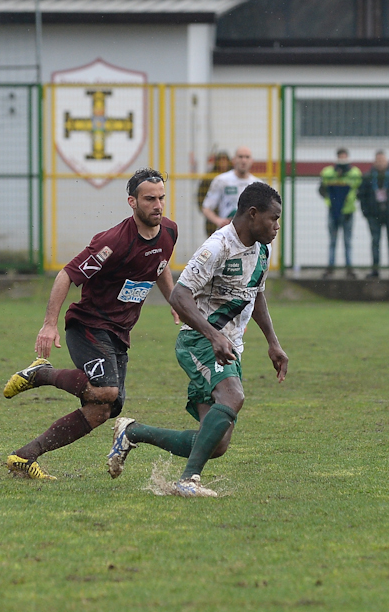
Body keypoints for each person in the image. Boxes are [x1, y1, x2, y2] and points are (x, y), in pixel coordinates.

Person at [106, 181, 288, 498]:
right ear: (253, 214)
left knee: (215, 444)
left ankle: (132, 432)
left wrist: (273, 342)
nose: (276, 227)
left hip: (227, 346)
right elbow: (179, 295)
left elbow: (255, 293)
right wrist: (213, 335)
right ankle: (188, 481)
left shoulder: (262, 249)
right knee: (234, 397)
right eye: (273, 219)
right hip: (199, 341)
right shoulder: (217, 248)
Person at [0, 169, 179, 481]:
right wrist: (49, 324)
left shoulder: (169, 232)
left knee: (103, 409)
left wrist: (175, 302)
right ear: (132, 202)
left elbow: (160, 265)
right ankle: (41, 373)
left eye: (162, 198)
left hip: (119, 334)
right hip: (88, 327)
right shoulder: (113, 243)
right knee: (106, 390)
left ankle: (25, 456)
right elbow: (66, 274)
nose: (158, 205)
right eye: (150, 199)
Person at [358, 150, 389, 279]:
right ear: (374, 162)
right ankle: (375, 270)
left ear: (387, 161)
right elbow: (362, 196)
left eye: (382, 160)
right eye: (378, 160)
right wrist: (365, 212)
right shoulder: (368, 176)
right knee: (375, 242)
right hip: (374, 215)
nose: (380, 163)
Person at [319, 148, 363, 278]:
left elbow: (358, 191)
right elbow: (322, 189)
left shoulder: (355, 173)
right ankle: (330, 267)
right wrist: (331, 202)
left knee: (347, 241)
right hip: (333, 211)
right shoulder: (328, 173)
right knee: (333, 241)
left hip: (348, 212)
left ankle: (349, 268)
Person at [201, 146, 260, 231]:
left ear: (252, 161)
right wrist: (219, 221)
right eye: (240, 157)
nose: (243, 160)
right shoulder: (221, 180)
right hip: (227, 232)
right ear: (234, 160)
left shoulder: (257, 184)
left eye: (247, 157)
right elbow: (206, 208)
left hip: (249, 234)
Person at [198, 150, 231, 237]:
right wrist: (205, 210)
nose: (223, 163)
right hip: (213, 217)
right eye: (221, 160)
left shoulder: (233, 177)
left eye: (225, 160)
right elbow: (201, 195)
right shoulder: (209, 177)